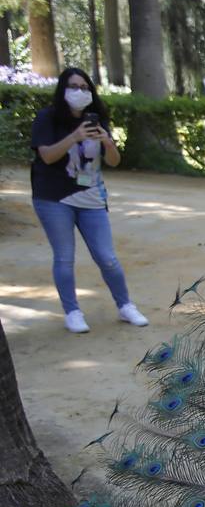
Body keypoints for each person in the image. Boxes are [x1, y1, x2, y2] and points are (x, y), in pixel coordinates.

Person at [30, 67, 148, 334]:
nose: (79, 92)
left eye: (84, 87)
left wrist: (107, 142)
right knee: (64, 257)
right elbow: (47, 156)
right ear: (63, 89)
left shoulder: (97, 119)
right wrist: (74, 137)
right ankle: (72, 312)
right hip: (54, 197)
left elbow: (114, 162)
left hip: (92, 197)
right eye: (73, 86)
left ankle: (125, 305)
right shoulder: (47, 118)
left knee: (107, 257)